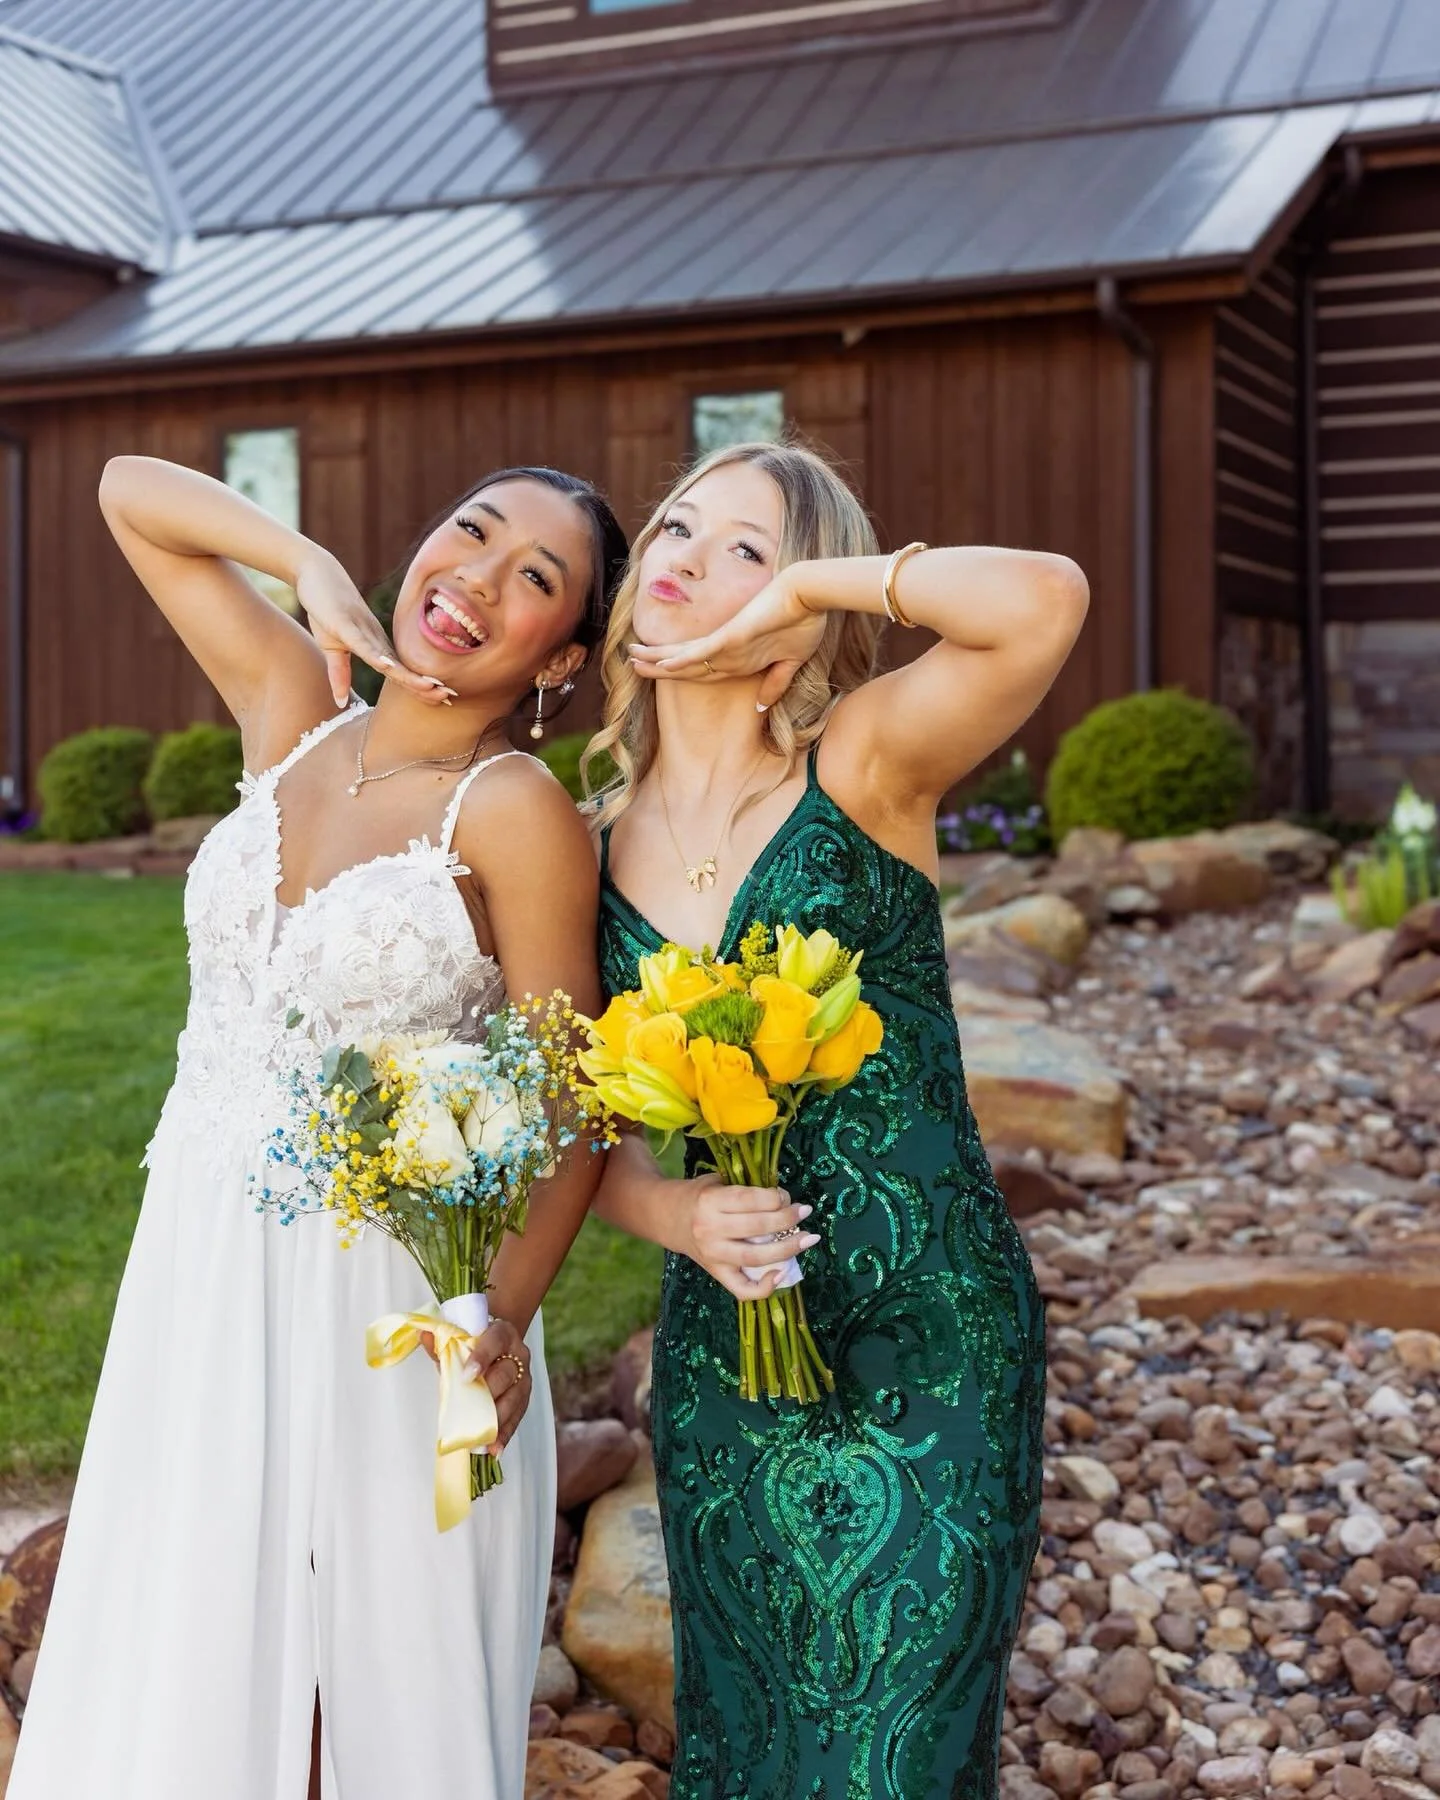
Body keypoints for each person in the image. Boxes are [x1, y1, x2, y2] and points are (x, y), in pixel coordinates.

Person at [10, 457, 628, 1800]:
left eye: (532, 579)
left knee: (347, 1709)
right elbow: (126, 491)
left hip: (381, 1303)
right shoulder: (294, 709)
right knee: (182, 1657)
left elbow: (573, 1109)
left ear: (561, 655)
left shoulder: (515, 815)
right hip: (197, 1272)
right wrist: (302, 562)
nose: (473, 579)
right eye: (466, 533)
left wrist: (499, 1319)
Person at [586, 440, 1089, 1799]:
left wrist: (814, 579)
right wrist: (669, 1209)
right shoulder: (582, 848)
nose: (688, 559)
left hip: (935, 1330)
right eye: (677, 530)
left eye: (743, 547)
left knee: (900, 1759)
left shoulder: (862, 761)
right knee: (752, 1747)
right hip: (732, 1358)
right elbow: (576, 1133)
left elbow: (1043, 597)